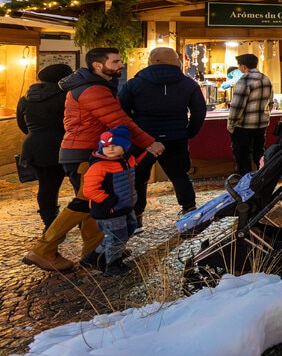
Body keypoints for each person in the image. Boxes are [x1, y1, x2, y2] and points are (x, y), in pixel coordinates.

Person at [23, 47, 163, 273]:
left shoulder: (97, 86)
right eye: (116, 61)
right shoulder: (92, 89)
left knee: (90, 204)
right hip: (82, 153)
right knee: (82, 202)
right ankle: (43, 249)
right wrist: (149, 142)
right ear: (98, 65)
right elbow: (119, 120)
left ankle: (94, 251)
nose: (120, 65)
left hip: (87, 150)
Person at [119, 46, 206, 223]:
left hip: (143, 139)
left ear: (150, 61)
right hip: (176, 137)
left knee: (139, 177)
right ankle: (189, 209)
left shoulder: (135, 83)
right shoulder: (188, 83)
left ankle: (137, 216)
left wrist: (134, 131)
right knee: (180, 175)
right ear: (176, 62)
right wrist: (189, 132)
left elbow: (121, 110)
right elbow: (199, 111)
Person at [81, 125, 143, 277]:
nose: (110, 149)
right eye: (106, 146)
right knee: (117, 236)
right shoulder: (100, 166)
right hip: (109, 210)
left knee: (130, 227)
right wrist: (107, 201)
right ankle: (112, 265)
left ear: (125, 147)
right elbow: (89, 190)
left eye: (115, 146)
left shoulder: (127, 160)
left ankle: (94, 257)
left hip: (124, 206)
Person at [17, 63, 73, 230]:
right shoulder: (67, 96)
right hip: (65, 145)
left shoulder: (25, 99)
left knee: (46, 186)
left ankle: (50, 224)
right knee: (81, 184)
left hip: (35, 147)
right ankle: (84, 221)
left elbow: (22, 125)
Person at [227, 53, 273, 175]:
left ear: (243, 66)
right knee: (260, 154)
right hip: (262, 124)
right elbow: (271, 102)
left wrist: (231, 123)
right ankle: (263, 179)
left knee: (243, 156)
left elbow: (237, 105)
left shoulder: (244, 80)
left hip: (244, 125)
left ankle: (246, 182)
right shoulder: (266, 78)